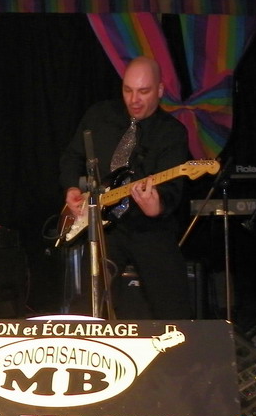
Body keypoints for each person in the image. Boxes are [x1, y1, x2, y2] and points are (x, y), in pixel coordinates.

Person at [59, 56, 191, 319]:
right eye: (128, 90)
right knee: (89, 303)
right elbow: (71, 156)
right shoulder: (99, 116)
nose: (134, 100)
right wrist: (71, 188)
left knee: (172, 303)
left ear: (160, 90)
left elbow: (174, 188)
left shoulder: (172, 133)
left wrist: (156, 205)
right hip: (104, 227)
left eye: (144, 91)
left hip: (148, 228)